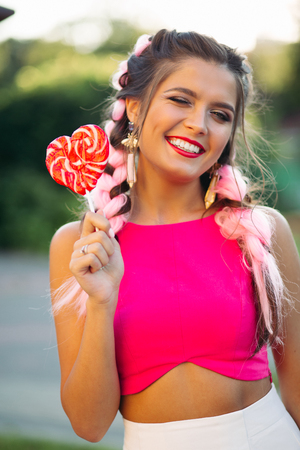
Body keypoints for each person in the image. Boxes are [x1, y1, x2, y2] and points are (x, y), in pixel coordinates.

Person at [49, 30, 300, 449]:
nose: (198, 124)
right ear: (134, 106)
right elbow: (89, 425)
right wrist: (100, 301)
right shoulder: (79, 245)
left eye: (220, 114)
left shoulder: (262, 231)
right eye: (181, 100)